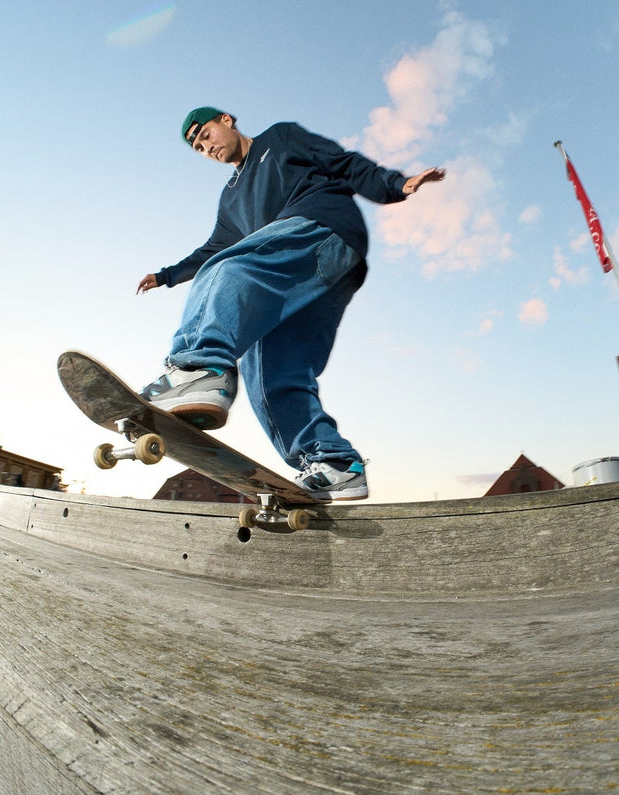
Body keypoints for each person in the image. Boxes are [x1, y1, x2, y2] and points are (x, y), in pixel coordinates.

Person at [137, 107, 445, 501]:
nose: (206, 147)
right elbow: (213, 246)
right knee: (270, 371)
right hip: (308, 278)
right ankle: (333, 464)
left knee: (229, 268)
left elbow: (339, 160)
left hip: (321, 229)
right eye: (198, 148)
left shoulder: (279, 139)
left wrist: (394, 184)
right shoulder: (230, 198)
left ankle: (200, 367)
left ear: (227, 121)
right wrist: (167, 275)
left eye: (207, 135)